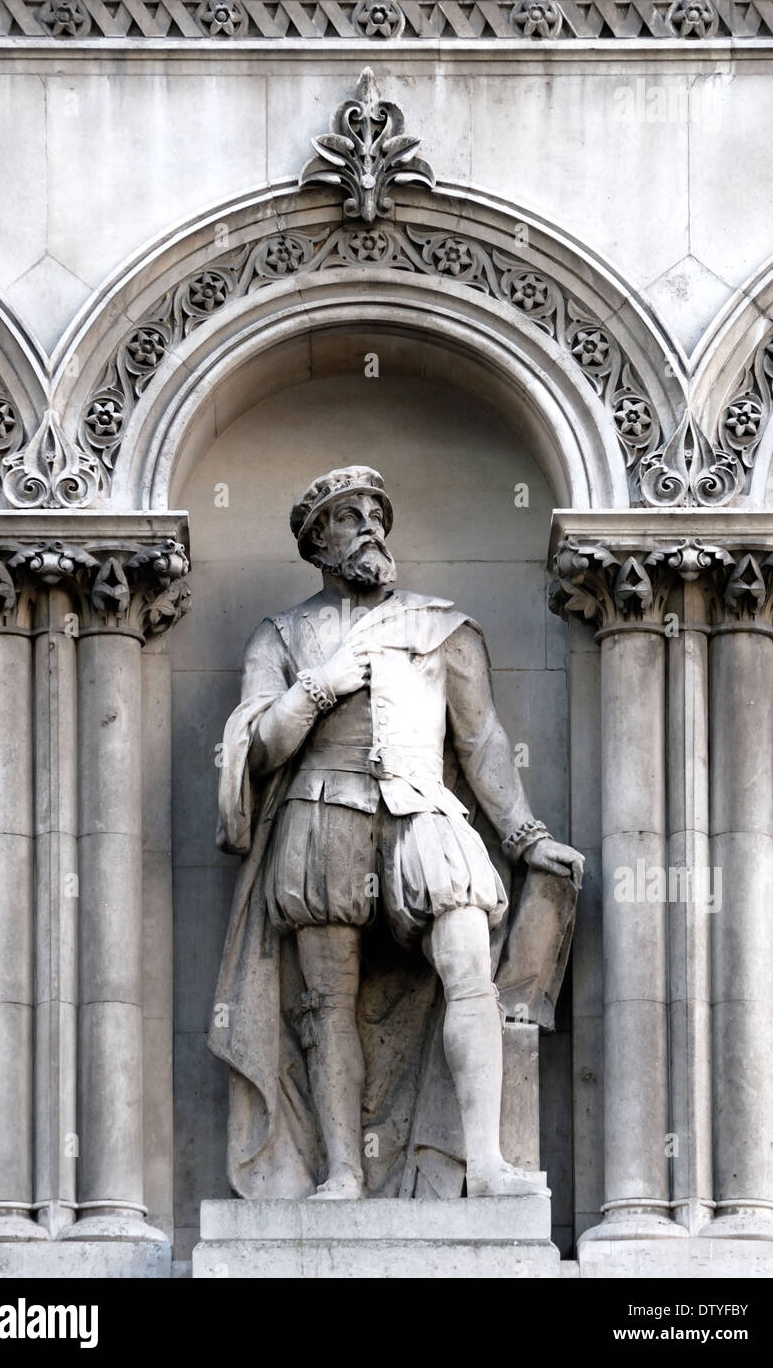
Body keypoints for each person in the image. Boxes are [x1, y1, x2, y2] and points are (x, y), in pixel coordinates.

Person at [211, 465, 584, 1199]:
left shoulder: (440, 625)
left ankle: (485, 1163)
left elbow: (481, 745)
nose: (370, 527)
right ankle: (344, 1171)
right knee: (327, 1003)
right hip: (322, 816)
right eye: (348, 517)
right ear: (318, 543)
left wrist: (523, 836)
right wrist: (321, 684)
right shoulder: (282, 635)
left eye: (376, 514)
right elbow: (258, 750)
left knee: (469, 967)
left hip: (424, 812)